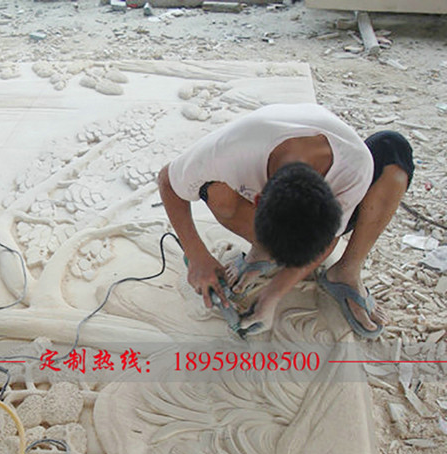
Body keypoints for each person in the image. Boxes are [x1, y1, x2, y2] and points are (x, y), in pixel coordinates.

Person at [157, 103, 414, 338]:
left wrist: (273, 295)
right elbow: (167, 180)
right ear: (257, 200)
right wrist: (197, 254)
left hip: (342, 168)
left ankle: (346, 272)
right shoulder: (228, 152)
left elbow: (329, 239)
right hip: (253, 151)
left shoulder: (354, 170)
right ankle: (261, 252)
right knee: (217, 193)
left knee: (393, 148)